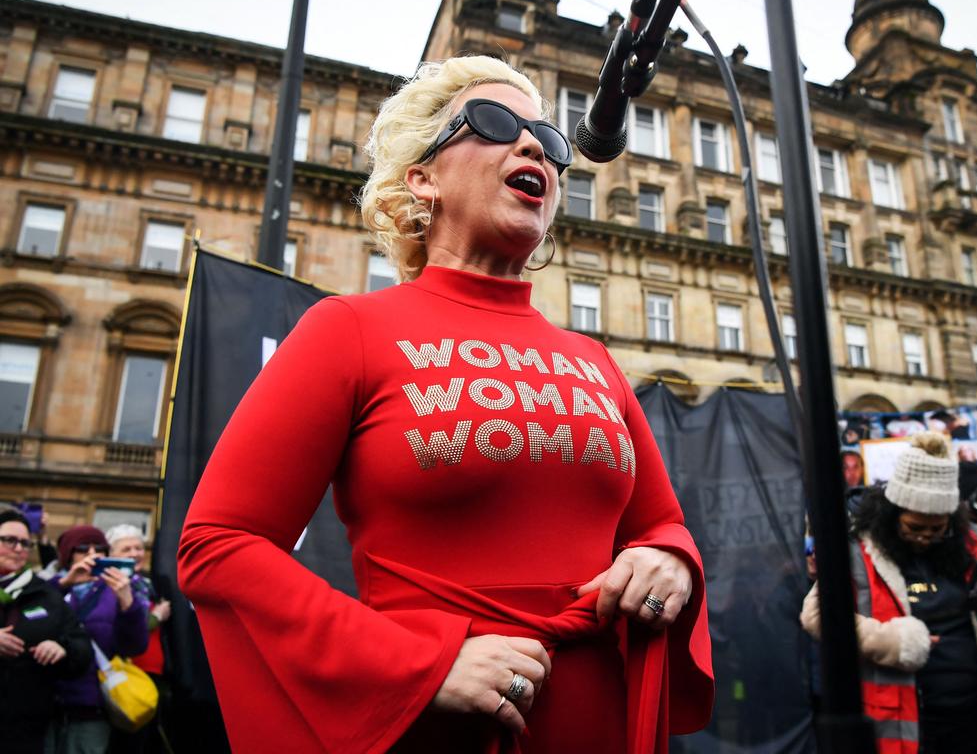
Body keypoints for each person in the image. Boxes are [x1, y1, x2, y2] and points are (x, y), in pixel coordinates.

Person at [177, 56, 713, 754]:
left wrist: (669, 564)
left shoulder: (593, 359)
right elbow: (217, 546)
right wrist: (421, 666)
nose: (533, 148)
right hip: (441, 726)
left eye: (548, 142)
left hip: (599, 724)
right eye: (494, 124)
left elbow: (661, 527)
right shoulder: (350, 330)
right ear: (422, 178)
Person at [801, 432, 977, 754]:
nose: (926, 537)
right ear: (893, 514)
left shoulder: (969, 544)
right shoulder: (858, 550)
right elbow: (815, 615)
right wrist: (891, 641)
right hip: (903, 723)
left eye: (937, 529)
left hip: (975, 718)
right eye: (915, 528)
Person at [47, 524, 150, 754]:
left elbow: (135, 646)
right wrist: (63, 585)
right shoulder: (52, 587)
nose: (93, 554)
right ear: (68, 554)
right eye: (83, 548)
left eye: (100, 548)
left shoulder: (118, 589)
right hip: (43, 704)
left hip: (90, 708)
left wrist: (127, 604)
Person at [0, 508, 91, 753]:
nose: (19, 548)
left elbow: (83, 648)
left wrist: (63, 648)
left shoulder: (46, 594)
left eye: (24, 543)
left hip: (26, 730)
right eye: (9, 540)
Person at [106, 524, 170, 754]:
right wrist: (156, 616)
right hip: (126, 677)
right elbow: (126, 630)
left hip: (153, 674)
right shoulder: (109, 587)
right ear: (111, 555)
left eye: (139, 547)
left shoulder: (147, 584)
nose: (135, 553)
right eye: (126, 549)